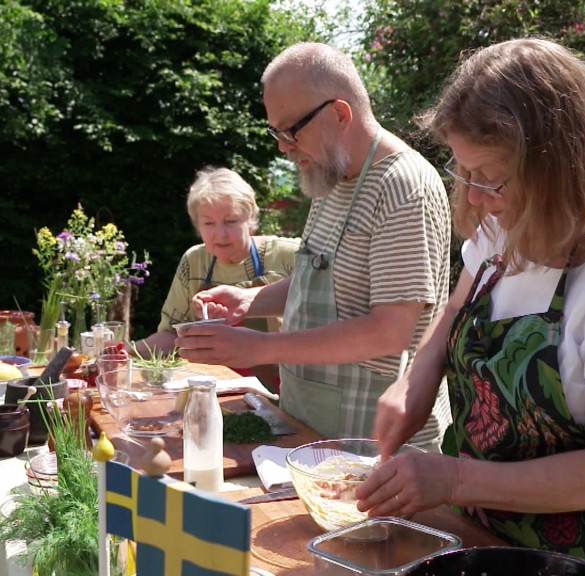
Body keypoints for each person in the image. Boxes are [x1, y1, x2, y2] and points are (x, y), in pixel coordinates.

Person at [355, 38, 585, 575]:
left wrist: (452, 479)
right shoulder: (510, 223)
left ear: (558, 168)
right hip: (494, 543)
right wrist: (416, 379)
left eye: (490, 178)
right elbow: (456, 310)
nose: (475, 196)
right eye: (464, 173)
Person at [178, 42, 452, 449]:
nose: (283, 146)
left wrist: (262, 346)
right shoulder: (330, 175)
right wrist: (249, 300)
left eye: (291, 130)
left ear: (340, 114)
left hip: (378, 445)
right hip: (315, 428)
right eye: (276, 132)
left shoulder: (403, 187)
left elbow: (391, 331)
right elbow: (320, 277)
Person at [133, 166, 299, 386]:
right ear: (197, 224)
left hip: (281, 392)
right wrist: (126, 352)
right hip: (213, 390)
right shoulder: (194, 262)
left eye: (230, 221)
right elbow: (171, 336)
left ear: (249, 218)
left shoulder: (289, 256)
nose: (220, 234)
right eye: (209, 223)